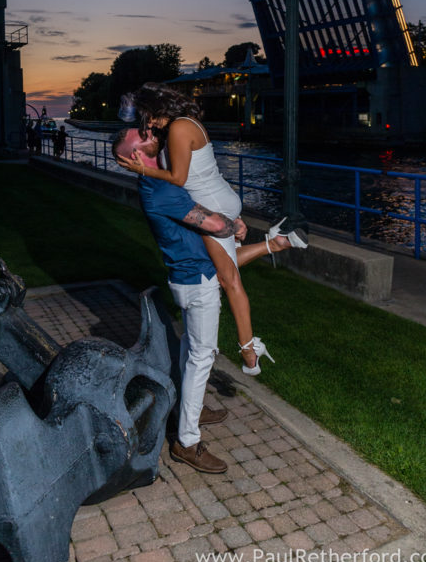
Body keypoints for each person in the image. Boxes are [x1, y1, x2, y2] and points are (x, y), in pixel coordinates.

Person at [116, 83, 308, 374]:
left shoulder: (179, 129)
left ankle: (249, 352)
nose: (148, 124)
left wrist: (142, 170)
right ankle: (276, 243)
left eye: (148, 116)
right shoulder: (183, 125)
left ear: (157, 108)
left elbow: (178, 179)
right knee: (222, 266)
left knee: (229, 280)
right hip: (219, 197)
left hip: (213, 204)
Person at [112, 126, 251, 474]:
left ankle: (195, 407)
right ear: (134, 155)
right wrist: (233, 225)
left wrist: (227, 221)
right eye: (139, 134)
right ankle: (187, 442)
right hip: (197, 280)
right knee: (202, 356)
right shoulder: (160, 191)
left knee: (191, 349)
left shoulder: (163, 181)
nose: (148, 130)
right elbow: (217, 226)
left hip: (191, 276)